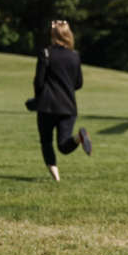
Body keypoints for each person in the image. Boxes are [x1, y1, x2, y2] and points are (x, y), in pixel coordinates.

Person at [33, 20, 92, 181]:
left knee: (46, 142)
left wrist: (38, 99)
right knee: (64, 146)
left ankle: (56, 178)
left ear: (53, 35)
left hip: (47, 106)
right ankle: (79, 137)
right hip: (68, 107)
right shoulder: (75, 56)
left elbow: (39, 81)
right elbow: (78, 83)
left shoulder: (46, 53)